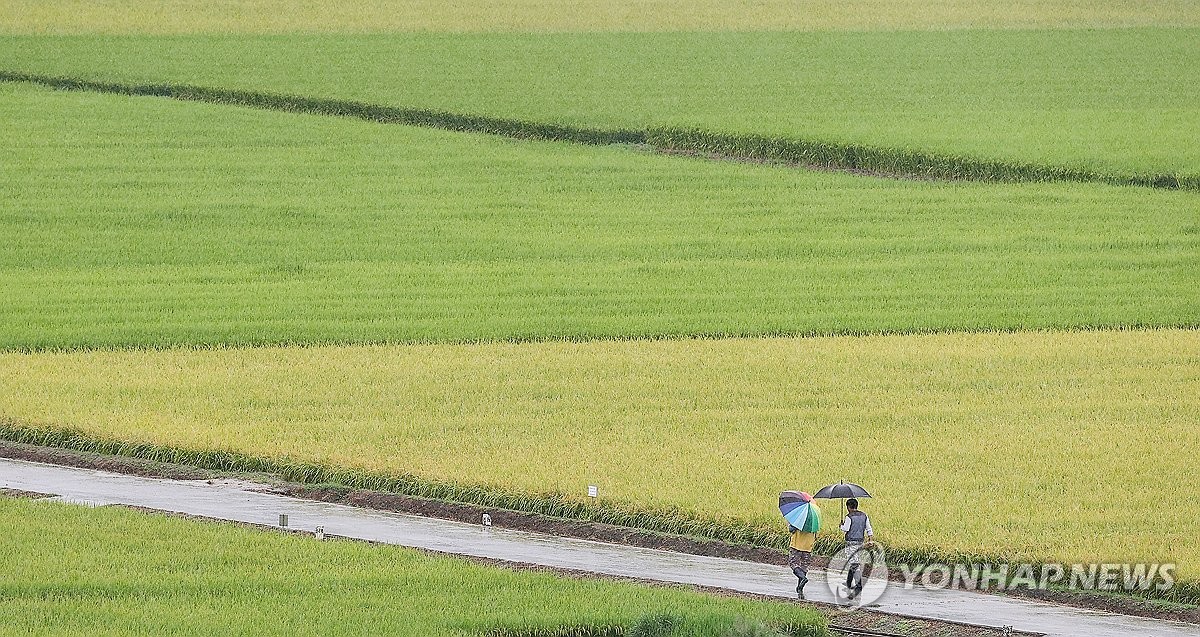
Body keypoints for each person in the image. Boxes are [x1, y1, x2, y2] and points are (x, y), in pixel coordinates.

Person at [839, 498, 874, 600]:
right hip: (860, 542)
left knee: (854, 563)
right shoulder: (864, 515)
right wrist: (870, 539)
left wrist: (841, 526)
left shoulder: (849, 517)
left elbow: (846, 529)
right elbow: (869, 528)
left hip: (851, 542)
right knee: (854, 561)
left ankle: (859, 586)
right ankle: (849, 582)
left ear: (848, 507)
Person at [788, 520, 817, 599]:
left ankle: (803, 578)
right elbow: (815, 535)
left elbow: (791, 529)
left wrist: (791, 524)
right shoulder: (814, 521)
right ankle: (800, 589)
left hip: (796, 545)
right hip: (808, 546)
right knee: (804, 567)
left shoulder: (798, 519)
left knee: (793, 564)